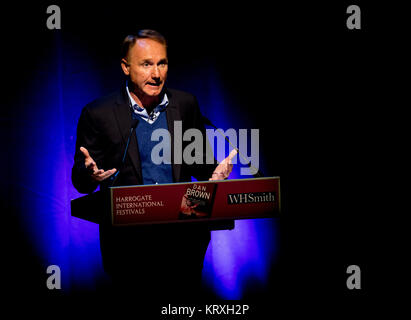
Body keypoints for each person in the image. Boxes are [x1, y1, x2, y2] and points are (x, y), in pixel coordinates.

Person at [72, 29, 233, 298]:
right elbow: (80, 181)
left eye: (162, 63)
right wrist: (91, 175)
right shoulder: (97, 113)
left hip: (185, 239)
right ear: (125, 67)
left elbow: (199, 164)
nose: (156, 74)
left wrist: (214, 172)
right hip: (128, 245)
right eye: (146, 64)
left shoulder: (185, 104)